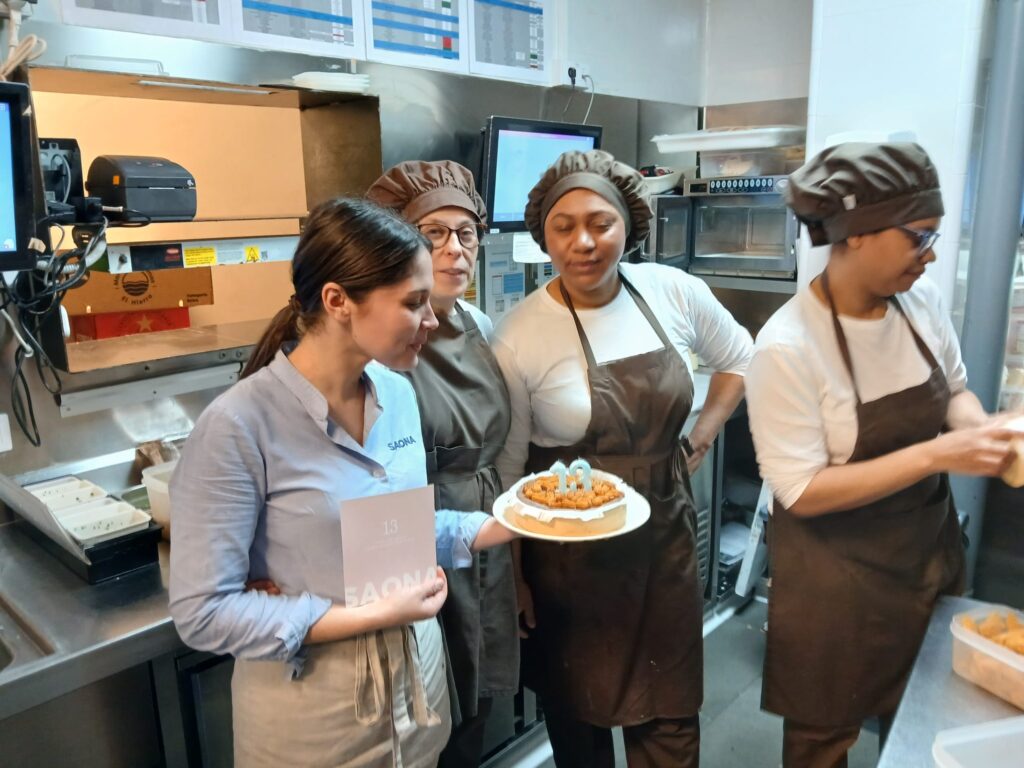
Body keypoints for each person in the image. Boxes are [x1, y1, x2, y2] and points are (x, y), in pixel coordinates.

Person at [168, 198, 515, 768]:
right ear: (337, 301)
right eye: (414, 303)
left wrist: (511, 522)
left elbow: (394, 529)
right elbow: (203, 612)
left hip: (418, 695)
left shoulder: (397, 393)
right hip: (316, 724)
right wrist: (373, 615)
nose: (432, 320)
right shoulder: (238, 425)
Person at [745, 142, 1019, 768]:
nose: (931, 254)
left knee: (926, 724)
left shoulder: (919, 304)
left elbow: (954, 389)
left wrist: (982, 429)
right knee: (822, 743)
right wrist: (937, 455)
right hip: (835, 586)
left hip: (925, 563)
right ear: (857, 233)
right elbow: (800, 491)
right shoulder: (787, 347)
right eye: (919, 236)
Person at [492, 149, 753, 768]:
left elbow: (741, 357)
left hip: (663, 544)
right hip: (568, 563)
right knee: (578, 724)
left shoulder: (672, 292)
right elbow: (509, 471)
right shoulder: (520, 333)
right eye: (564, 227)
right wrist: (516, 577)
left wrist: (702, 435)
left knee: (670, 719)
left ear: (629, 225)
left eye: (600, 223)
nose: (583, 242)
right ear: (545, 237)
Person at [366, 161, 519, 768]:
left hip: (483, 530)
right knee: (424, 711)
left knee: (475, 704)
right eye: (433, 233)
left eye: (467, 233)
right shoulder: (378, 345)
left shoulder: (479, 324)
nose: (455, 249)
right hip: (413, 539)